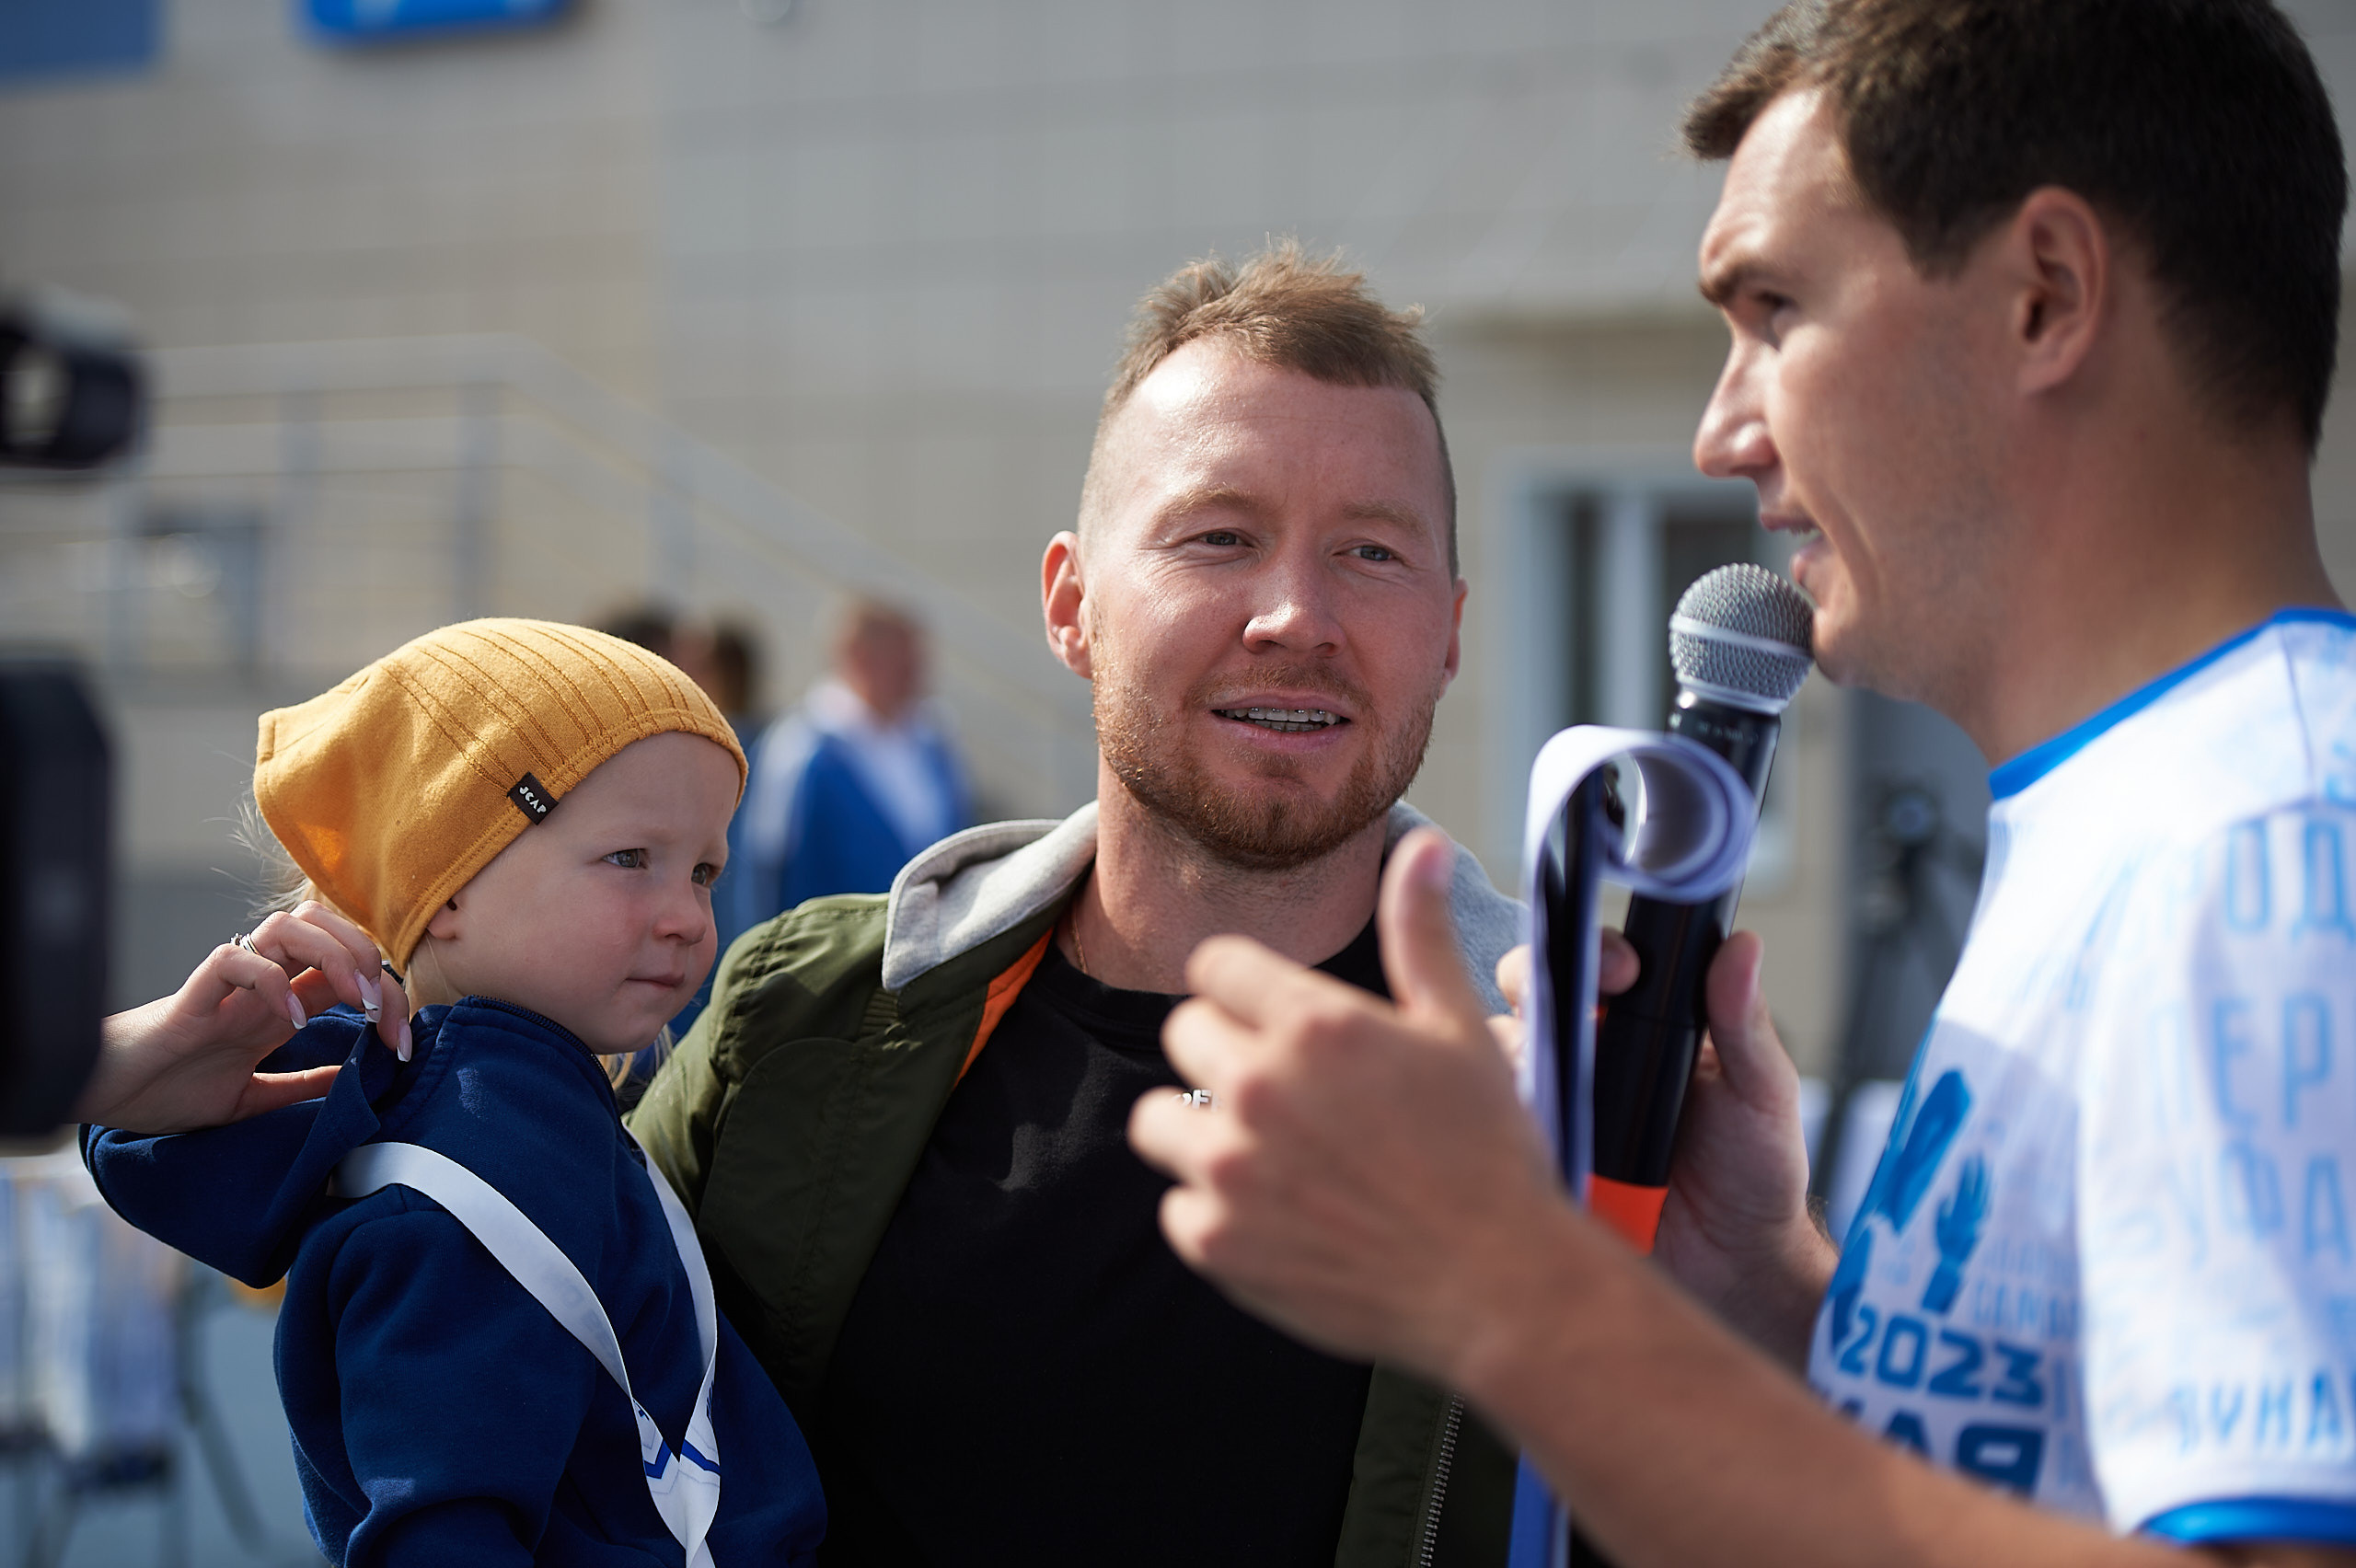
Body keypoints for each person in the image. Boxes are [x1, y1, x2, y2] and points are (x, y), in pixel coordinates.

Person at [1128, 3, 2356, 1565]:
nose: (1720, 432)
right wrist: (1765, 1291)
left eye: (1775, 311)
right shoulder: (2162, 816)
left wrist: (1529, 1305)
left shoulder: (2272, 847)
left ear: (2046, 296)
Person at [625, 245, 1527, 1564]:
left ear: (1448, 628)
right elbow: (518, 1350)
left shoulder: (1584, 1091)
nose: (1296, 614)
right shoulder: (797, 1029)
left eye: (1371, 552)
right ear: (1071, 604)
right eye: (1220, 536)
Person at [81, 620, 827, 1566]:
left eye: (705, 871)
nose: (686, 917)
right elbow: (441, 1528)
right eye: (630, 859)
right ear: (451, 887)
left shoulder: (516, 1118)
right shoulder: (473, 1176)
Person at [725, 600, 973, 947]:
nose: (915, 672)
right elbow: (765, 869)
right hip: (835, 959)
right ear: (857, 655)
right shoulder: (802, 745)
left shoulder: (932, 739)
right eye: (901, 658)